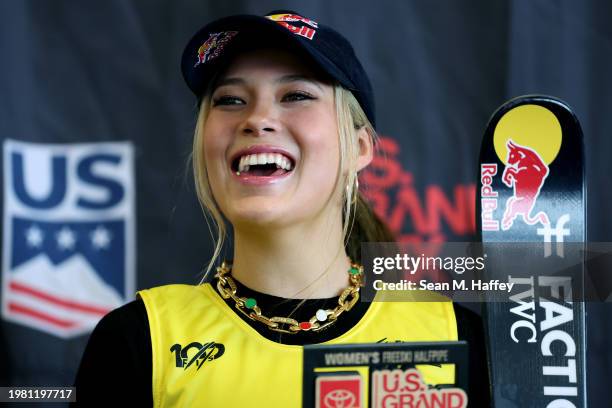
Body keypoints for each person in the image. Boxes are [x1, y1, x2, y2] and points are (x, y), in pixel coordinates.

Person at [74, 10, 490, 406]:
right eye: (230, 100)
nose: (256, 118)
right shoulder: (139, 340)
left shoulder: (456, 339)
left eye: (295, 94)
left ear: (359, 148)